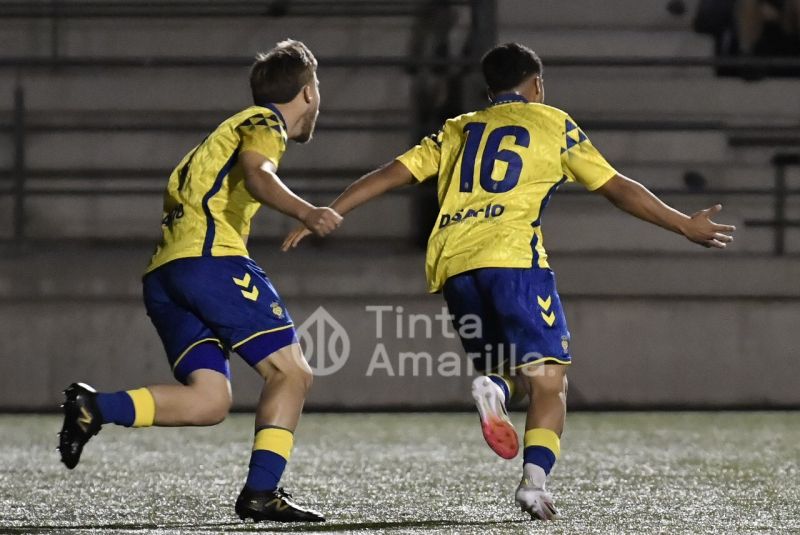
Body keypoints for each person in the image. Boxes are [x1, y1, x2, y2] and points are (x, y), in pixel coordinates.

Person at [281, 42, 736, 521]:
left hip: (455, 266)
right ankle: (533, 485)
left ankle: (495, 387)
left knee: (516, 373)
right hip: (514, 260)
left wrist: (330, 209)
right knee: (551, 381)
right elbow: (616, 187)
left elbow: (391, 174)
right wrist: (683, 223)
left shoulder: (458, 128)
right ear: (535, 85)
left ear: (489, 89)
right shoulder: (552, 122)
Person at [57, 39, 342, 524]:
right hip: (210, 262)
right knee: (292, 373)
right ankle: (261, 494)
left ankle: (93, 407)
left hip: (166, 273)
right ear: (309, 92)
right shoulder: (263, 122)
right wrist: (308, 211)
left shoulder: (221, 134)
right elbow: (257, 174)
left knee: (209, 401)